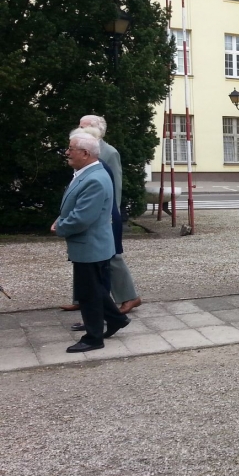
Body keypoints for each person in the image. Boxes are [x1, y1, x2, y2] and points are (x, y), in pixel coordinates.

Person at [53, 131, 129, 353]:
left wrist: (61, 226)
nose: (67, 153)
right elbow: (78, 206)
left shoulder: (94, 178)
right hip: (92, 244)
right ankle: (116, 319)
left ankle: (93, 338)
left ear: (85, 153)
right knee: (93, 288)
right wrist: (61, 219)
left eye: (71, 149)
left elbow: (82, 218)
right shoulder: (88, 172)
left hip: (91, 245)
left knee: (88, 294)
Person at [60, 114, 143, 314]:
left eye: (84, 126)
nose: (79, 129)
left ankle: (129, 297)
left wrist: (112, 214)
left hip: (105, 214)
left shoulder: (109, 152)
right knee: (82, 256)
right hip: (89, 210)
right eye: (79, 126)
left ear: (98, 130)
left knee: (111, 256)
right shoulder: (78, 149)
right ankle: (82, 298)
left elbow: (115, 185)